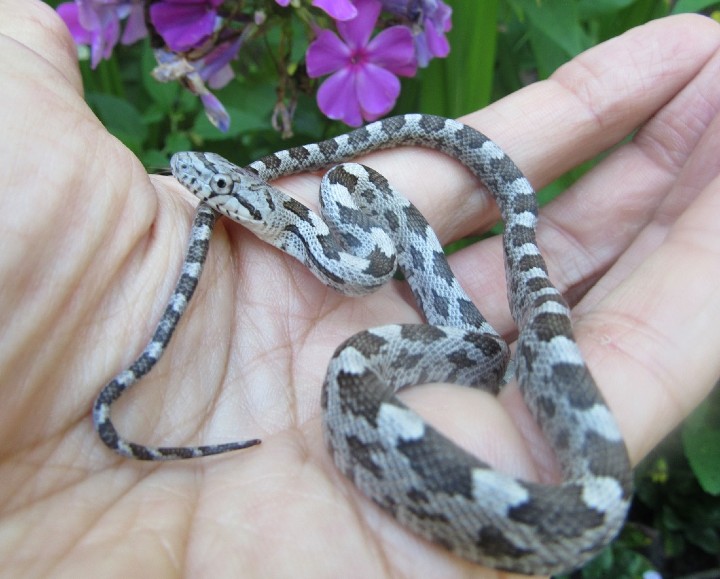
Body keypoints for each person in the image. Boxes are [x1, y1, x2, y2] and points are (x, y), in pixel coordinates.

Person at [1, 1, 718, 576]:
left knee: (456, 337)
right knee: (445, 346)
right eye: (216, 185)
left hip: (394, 273)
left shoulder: (346, 229)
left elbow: (367, 253)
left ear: (258, 208)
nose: (201, 181)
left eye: (220, 184)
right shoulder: (335, 223)